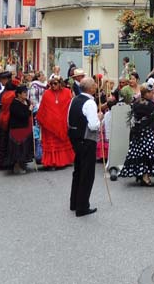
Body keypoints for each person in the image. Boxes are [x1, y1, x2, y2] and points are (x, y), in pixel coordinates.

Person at [68, 77, 103, 217]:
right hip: (87, 139)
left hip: (75, 138)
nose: (96, 87)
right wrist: (99, 118)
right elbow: (93, 125)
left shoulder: (74, 99)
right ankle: (82, 206)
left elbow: (68, 119)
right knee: (87, 174)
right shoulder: (90, 103)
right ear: (91, 89)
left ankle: (74, 202)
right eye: (94, 85)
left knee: (78, 171)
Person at [37, 75, 75, 169]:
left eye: (55, 83)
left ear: (60, 83)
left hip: (62, 123)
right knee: (52, 145)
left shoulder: (67, 92)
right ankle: (52, 162)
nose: (53, 85)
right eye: (51, 83)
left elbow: (69, 106)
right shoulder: (46, 93)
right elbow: (43, 108)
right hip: (49, 125)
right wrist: (42, 119)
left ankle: (64, 161)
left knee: (62, 142)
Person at [0, 72, 17, 169]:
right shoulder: (7, 91)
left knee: (4, 140)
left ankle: (5, 160)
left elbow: (0, 103)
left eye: (2, 80)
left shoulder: (7, 92)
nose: (1, 81)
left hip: (5, 117)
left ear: (6, 80)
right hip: (7, 118)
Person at [6, 85, 34, 174]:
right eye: (24, 93)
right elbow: (22, 115)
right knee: (18, 148)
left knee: (25, 147)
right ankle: (17, 165)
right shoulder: (14, 104)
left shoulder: (27, 101)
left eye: (26, 92)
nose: (26, 94)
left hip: (26, 128)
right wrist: (29, 110)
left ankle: (23, 163)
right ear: (18, 94)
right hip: (17, 129)